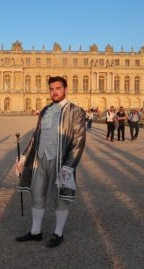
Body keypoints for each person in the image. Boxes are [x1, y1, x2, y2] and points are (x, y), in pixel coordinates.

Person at [15, 76, 86, 248]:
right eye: (52, 89)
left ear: (65, 89)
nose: (54, 92)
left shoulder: (76, 111)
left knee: (60, 197)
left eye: (58, 88)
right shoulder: (45, 110)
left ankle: (58, 233)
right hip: (40, 159)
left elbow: (78, 141)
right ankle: (35, 232)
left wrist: (69, 166)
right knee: (37, 194)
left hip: (60, 160)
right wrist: (24, 157)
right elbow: (36, 136)